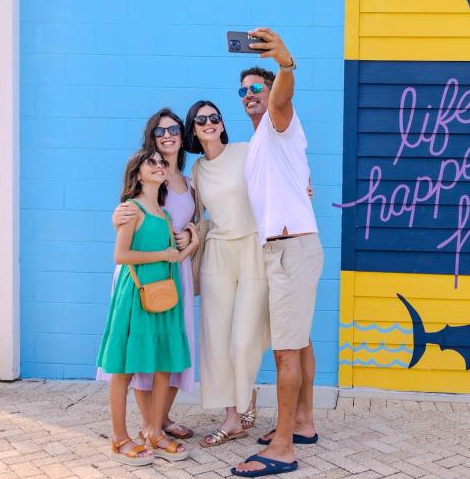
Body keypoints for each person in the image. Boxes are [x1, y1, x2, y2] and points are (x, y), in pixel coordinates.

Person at [234, 29, 324, 477]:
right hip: (290, 248)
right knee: (299, 341)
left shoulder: (277, 120)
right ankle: (303, 423)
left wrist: (285, 64)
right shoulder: (260, 142)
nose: (249, 94)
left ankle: (284, 447)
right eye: (243, 91)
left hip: (292, 249)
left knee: (285, 351)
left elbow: (283, 96)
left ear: (270, 93)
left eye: (257, 87)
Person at [100, 109, 198, 441]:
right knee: (141, 348)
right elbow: (128, 220)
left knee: (170, 347)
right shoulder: (144, 182)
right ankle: (148, 425)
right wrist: (117, 216)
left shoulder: (189, 181)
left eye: (174, 129)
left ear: (182, 135)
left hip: (175, 272)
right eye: (160, 131)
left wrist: (194, 236)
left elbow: (193, 221)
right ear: (151, 138)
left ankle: (160, 421)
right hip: (141, 275)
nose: (167, 135)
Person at [183, 100, 267, 447]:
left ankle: (247, 394)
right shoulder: (197, 171)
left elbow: (280, 170)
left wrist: (305, 185)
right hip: (217, 252)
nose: (209, 122)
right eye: (201, 119)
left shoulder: (245, 151)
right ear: (193, 129)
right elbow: (189, 211)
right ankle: (233, 417)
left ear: (221, 122)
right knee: (217, 341)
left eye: (214, 117)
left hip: (252, 248)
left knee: (243, 340)